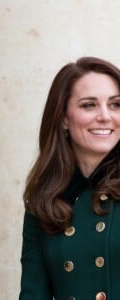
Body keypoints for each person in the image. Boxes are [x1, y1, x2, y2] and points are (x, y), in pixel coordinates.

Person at [19, 56, 120, 300]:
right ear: (64, 118)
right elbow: (34, 294)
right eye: (89, 105)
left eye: (115, 105)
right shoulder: (44, 200)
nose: (105, 116)